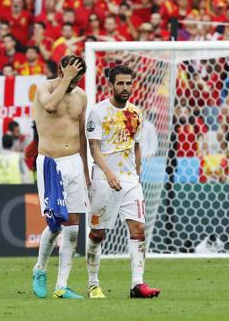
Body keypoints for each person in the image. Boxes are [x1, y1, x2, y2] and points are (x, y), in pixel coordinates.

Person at [86, 65, 161, 299]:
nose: (125, 87)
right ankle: (92, 284)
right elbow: (94, 147)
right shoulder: (98, 112)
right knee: (98, 234)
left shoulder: (136, 113)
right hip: (104, 178)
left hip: (130, 180)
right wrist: (108, 173)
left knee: (138, 229)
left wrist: (137, 172)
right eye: (120, 83)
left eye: (128, 83)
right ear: (111, 84)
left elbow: (136, 145)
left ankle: (137, 285)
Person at [31, 55, 90, 300]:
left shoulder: (81, 96)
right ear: (60, 70)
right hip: (50, 163)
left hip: (74, 162)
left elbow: (81, 132)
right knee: (55, 224)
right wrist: (65, 80)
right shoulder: (44, 88)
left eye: (78, 78)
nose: (74, 83)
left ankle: (62, 285)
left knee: (74, 227)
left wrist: (86, 169)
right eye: (71, 76)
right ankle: (40, 269)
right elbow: (51, 107)